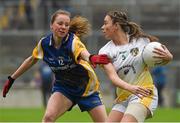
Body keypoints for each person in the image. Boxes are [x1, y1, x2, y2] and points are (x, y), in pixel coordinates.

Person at [2, 9, 110, 122]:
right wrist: (12, 78)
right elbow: (31, 60)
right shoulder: (44, 44)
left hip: (87, 89)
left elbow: (83, 53)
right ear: (51, 25)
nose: (63, 27)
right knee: (48, 118)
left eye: (66, 25)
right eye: (60, 23)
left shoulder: (73, 42)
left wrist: (91, 58)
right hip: (64, 88)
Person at [99, 10, 173, 122]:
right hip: (124, 98)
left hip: (144, 93)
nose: (102, 27)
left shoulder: (142, 41)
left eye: (105, 23)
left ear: (116, 25)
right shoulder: (105, 51)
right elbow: (113, 77)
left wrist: (169, 57)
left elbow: (161, 58)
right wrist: (131, 88)